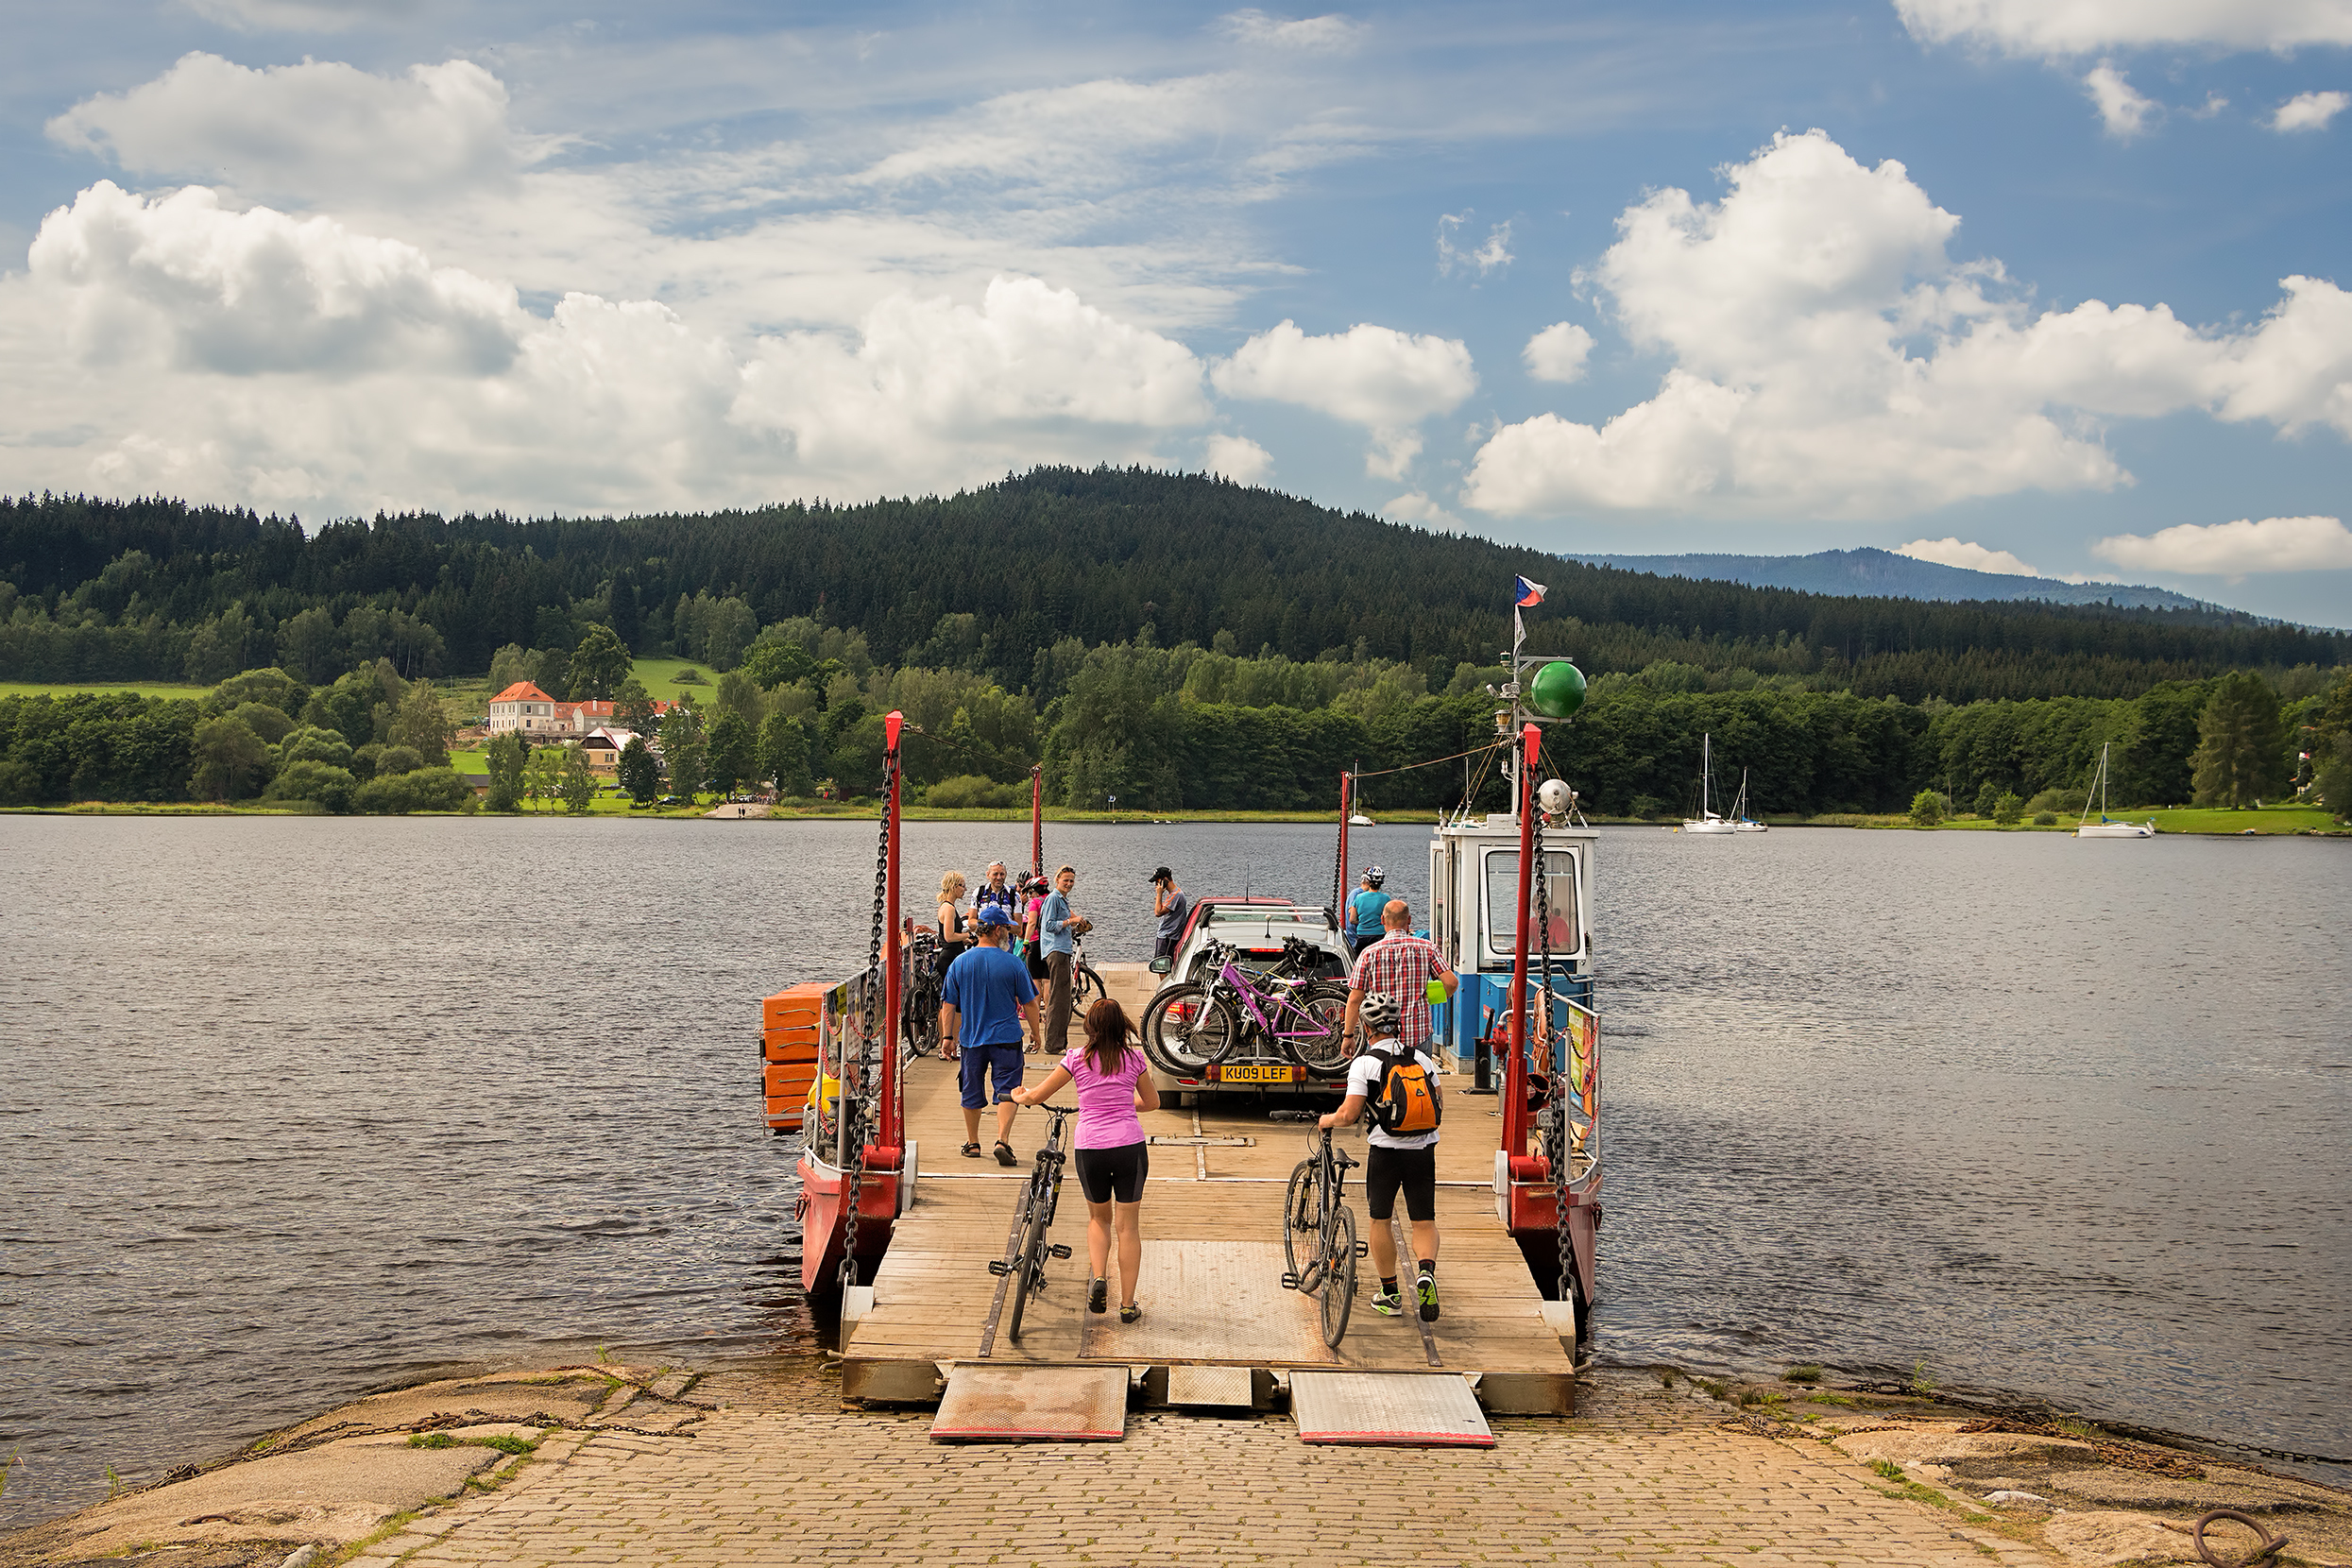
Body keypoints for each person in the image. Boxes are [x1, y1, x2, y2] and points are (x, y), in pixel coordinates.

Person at [1012, 997, 1157, 1322]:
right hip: (1129, 1147)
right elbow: (1152, 1102)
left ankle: (1100, 1277)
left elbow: (1037, 1096)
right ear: (1121, 1026)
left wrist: (1019, 1096)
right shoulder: (1134, 1059)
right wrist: (1123, 1104)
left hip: (1091, 1148)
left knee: (1099, 1219)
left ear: (1089, 1027)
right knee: (1127, 1227)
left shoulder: (1076, 1058)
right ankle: (1128, 1305)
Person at [1320, 991, 1442, 1321]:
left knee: (1380, 1220)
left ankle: (1390, 1294)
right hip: (1423, 1150)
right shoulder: (1421, 1059)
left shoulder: (1365, 1064)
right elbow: (1438, 1101)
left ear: (1366, 1027)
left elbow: (1349, 1114)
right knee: (1424, 1221)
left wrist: (1326, 1121)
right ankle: (1425, 1272)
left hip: (1386, 1151)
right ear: (1397, 1025)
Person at [939, 906, 1039, 1166]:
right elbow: (1029, 1003)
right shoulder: (1013, 963)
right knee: (1008, 1089)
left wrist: (947, 1038)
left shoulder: (960, 962)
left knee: (970, 1089)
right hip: (1007, 1038)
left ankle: (973, 1143)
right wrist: (1036, 1033)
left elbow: (948, 1004)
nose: (1008, 932)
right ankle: (1002, 1140)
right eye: (1005, 928)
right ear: (996, 930)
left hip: (971, 1039)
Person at [1344, 897, 1457, 1059]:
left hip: (1380, 1036)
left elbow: (1355, 998)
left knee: (1382, 1074)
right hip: (1417, 1035)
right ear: (1409, 920)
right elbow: (1451, 982)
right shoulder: (1427, 948)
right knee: (1420, 1074)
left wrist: (1348, 1035)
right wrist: (1433, 997)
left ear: (1382, 920)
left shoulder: (1368, 954)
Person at [1040, 864, 1090, 1055]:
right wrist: (1071, 921)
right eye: (1065, 880)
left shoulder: (1062, 900)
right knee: (1059, 1000)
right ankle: (1054, 1045)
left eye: (1071, 881)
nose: (1069, 884)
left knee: (1064, 999)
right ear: (1057, 880)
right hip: (1056, 951)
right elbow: (1049, 925)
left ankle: (1058, 1042)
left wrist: (1076, 926)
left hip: (1062, 949)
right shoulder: (1053, 898)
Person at [1019, 872, 1052, 1050]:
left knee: (1035, 981)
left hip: (1036, 942)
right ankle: (1048, 1014)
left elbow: (1031, 923)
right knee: (1047, 981)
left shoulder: (1035, 902)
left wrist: (1026, 942)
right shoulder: (1052, 900)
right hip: (1050, 944)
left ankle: (1036, 1014)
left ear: (1034, 890)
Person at [1345, 865, 1389, 958]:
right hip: (1379, 936)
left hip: (1362, 936)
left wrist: (1363, 921)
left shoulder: (1359, 897)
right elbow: (1388, 919)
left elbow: (1352, 919)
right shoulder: (1386, 899)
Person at [1148, 866, 1189, 963]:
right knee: (1159, 964)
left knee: (1161, 966)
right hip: (1165, 936)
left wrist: (1159, 894)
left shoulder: (1176, 895)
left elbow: (1158, 912)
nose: (1156, 885)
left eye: (1158, 882)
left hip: (1168, 937)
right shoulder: (1173, 894)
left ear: (1165, 879)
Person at [936, 870, 972, 970]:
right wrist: (969, 935)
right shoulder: (949, 908)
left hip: (952, 956)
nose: (965, 889)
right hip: (950, 959)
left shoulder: (945, 906)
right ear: (953, 887)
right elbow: (949, 937)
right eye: (963, 886)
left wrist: (964, 940)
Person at [973, 861, 1020, 929]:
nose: (999, 877)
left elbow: (1018, 928)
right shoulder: (979, 892)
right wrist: (987, 926)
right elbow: (971, 921)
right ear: (988, 875)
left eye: (1002, 874)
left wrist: (998, 927)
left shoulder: (1014, 895)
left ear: (1006, 874)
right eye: (995, 874)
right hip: (984, 934)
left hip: (1005, 936)